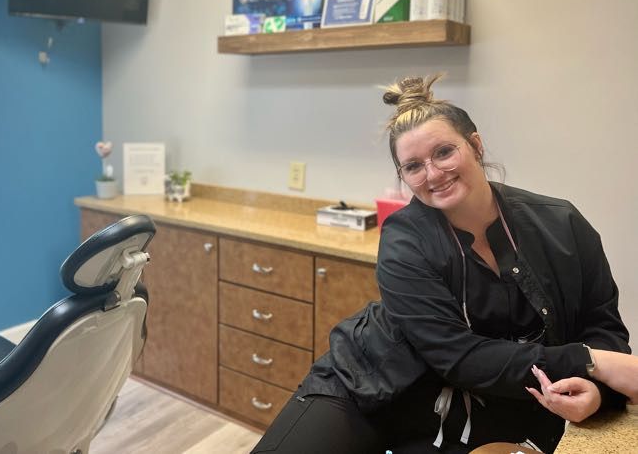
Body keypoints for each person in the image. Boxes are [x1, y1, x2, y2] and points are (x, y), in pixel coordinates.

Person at [252, 74, 631, 454]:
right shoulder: (404, 239)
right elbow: (458, 356)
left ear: (476, 145)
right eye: (414, 166)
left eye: (444, 152)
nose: (433, 173)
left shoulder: (560, 224)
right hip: (370, 384)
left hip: (494, 401)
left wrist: (597, 390)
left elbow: (602, 324)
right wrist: (588, 362)